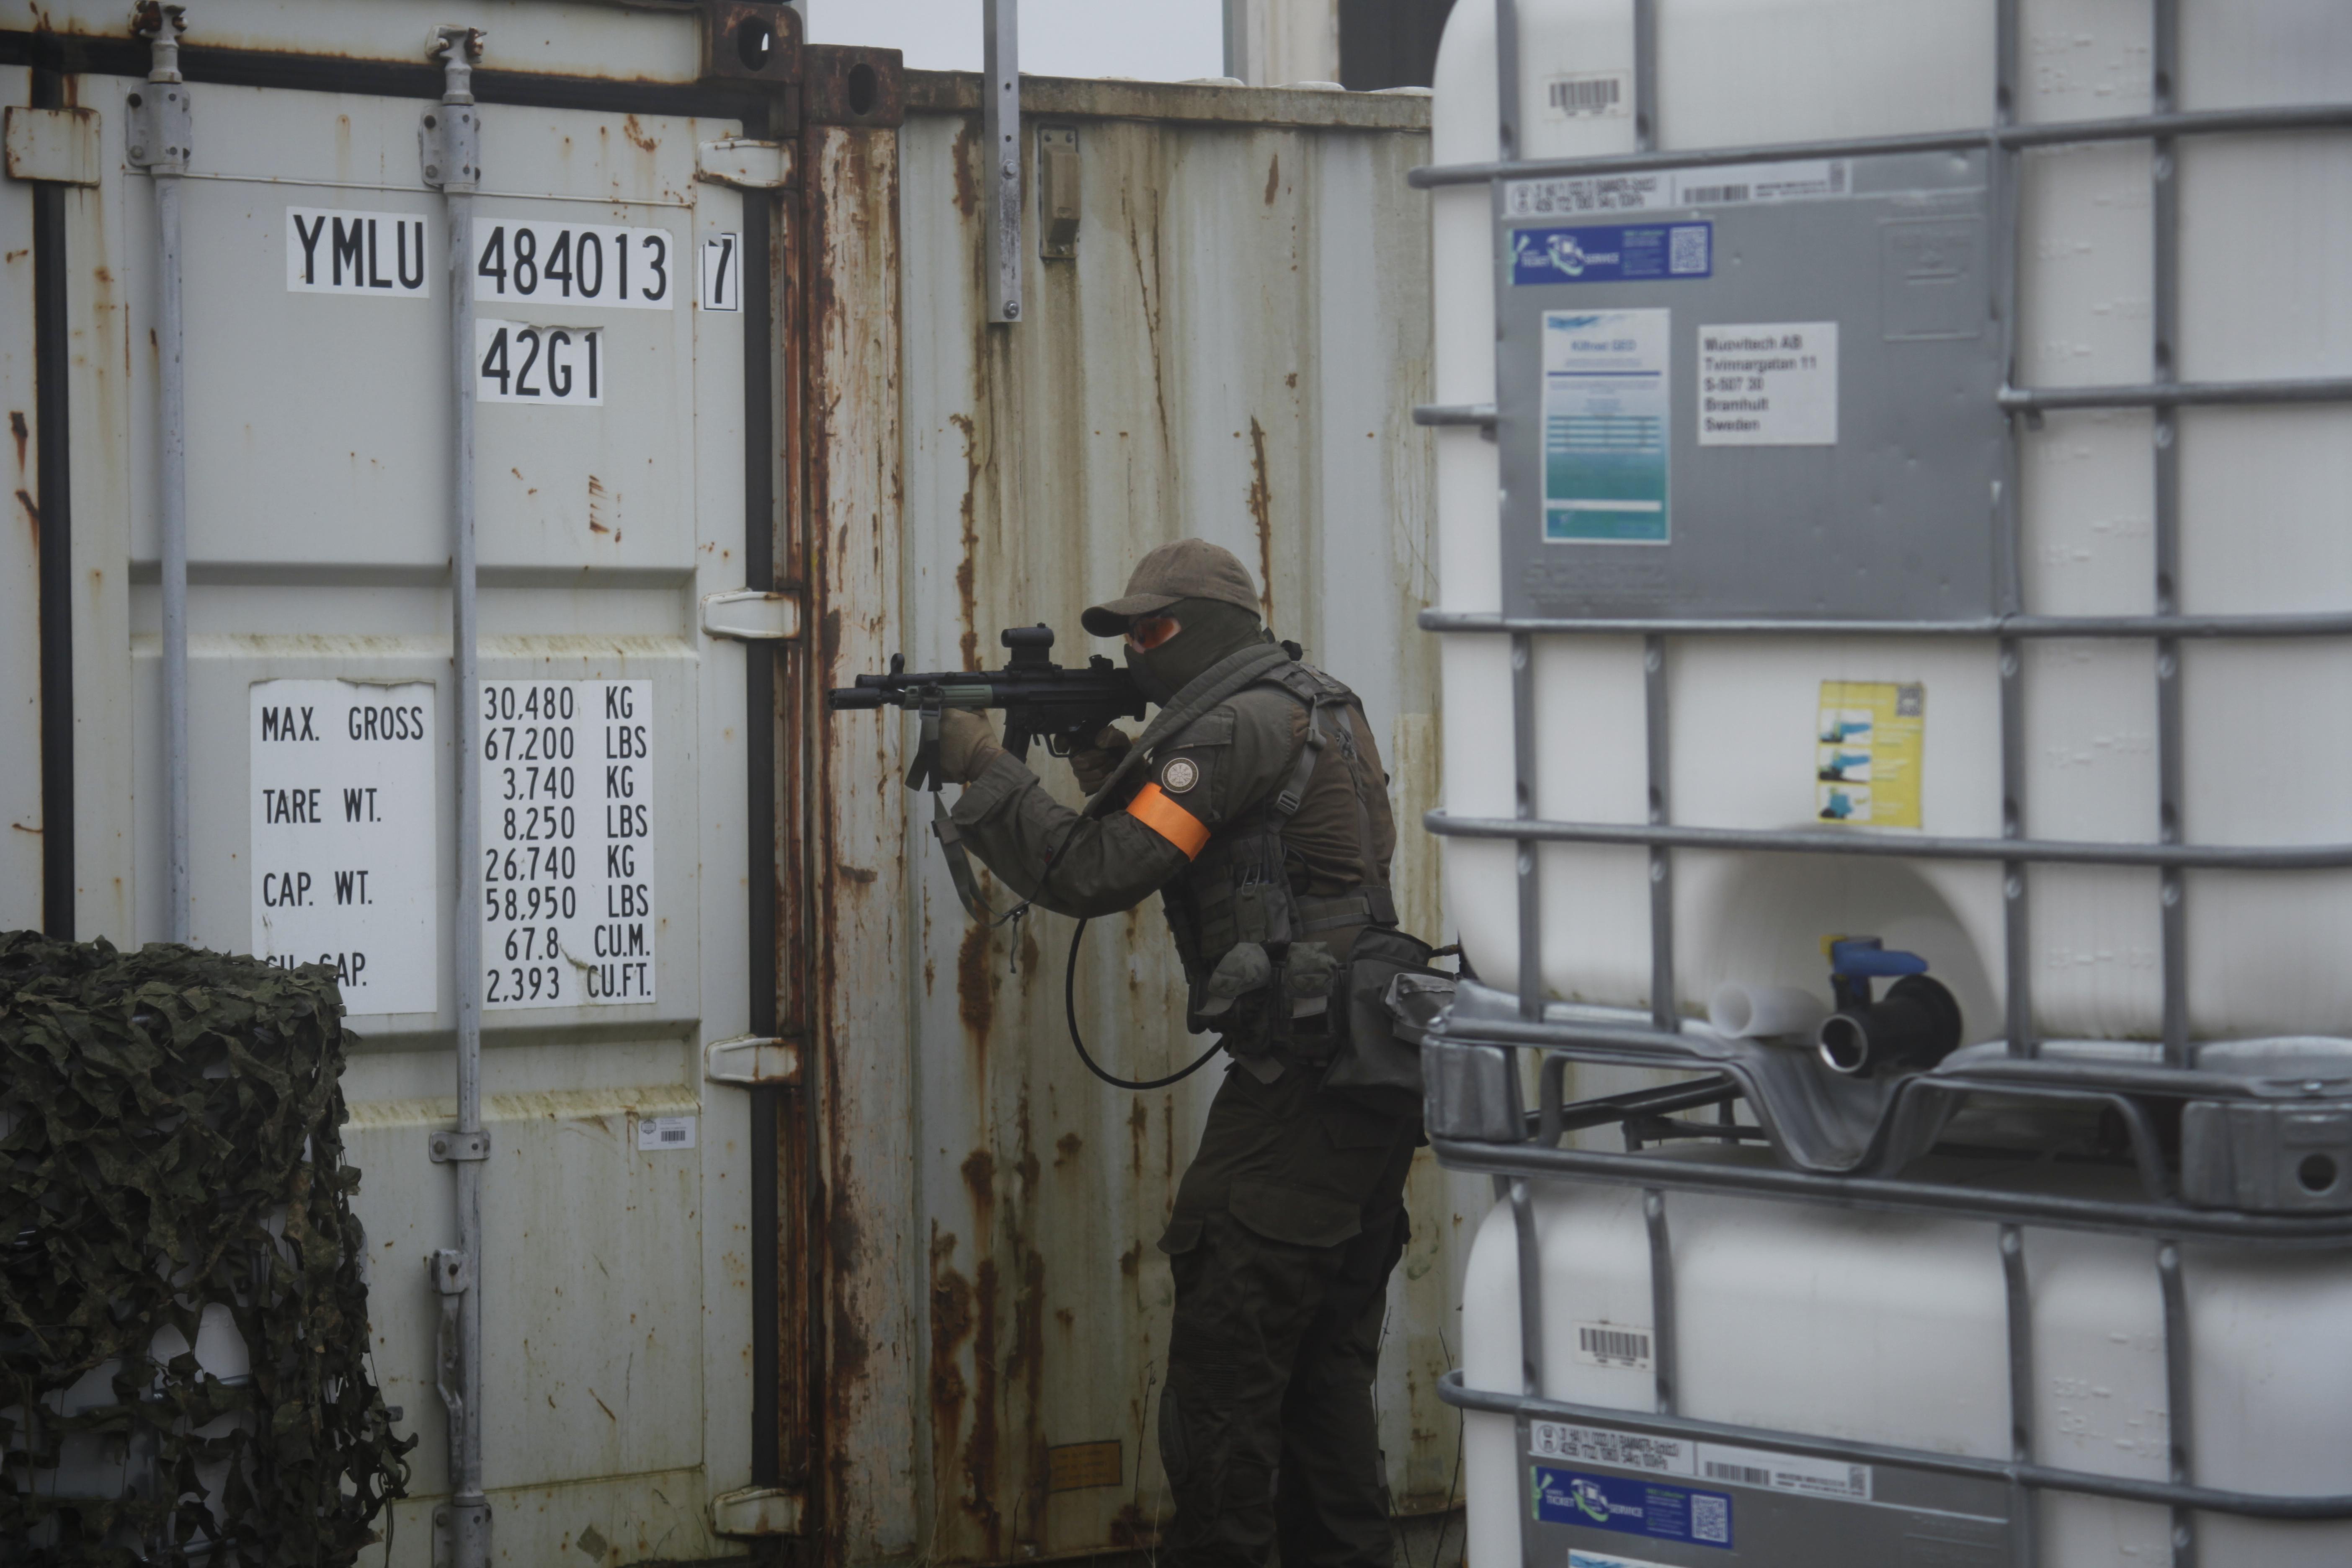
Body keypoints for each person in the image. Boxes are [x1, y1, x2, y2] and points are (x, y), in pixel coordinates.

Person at [932, 538, 1419, 1568]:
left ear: (1208, 630)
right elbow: (1228, 840)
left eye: (1152, 630)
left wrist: (983, 767)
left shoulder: (1229, 726)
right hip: (1361, 1079)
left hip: (1301, 1088)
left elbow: (1093, 870)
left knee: (1225, 1377)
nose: (1138, 652)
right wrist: (1105, 757)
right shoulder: (1311, 702)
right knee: (1318, 1379)